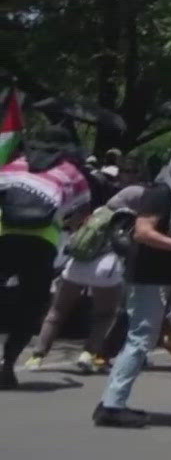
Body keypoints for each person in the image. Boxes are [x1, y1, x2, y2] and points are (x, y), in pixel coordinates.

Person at [94, 146, 171, 426]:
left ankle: (112, 401)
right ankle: (112, 405)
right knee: (139, 340)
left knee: (143, 339)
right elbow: (143, 232)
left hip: (169, 275)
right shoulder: (161, 193)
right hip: (148, 274)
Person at [0, 126, 95, 388]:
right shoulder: (73, 173)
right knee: (31, 305)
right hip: (42, 243)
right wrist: (65, 223)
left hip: (3, 237)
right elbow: (81, 215)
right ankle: (7, 365)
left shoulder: (15, 165)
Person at [25, 183, 142, 373]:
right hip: (106, 266)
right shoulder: (130, 217)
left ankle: (36, 356)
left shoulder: (99, 211)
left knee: (57, 312)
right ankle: (87, 354)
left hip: (77, 264)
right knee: (104, 315)